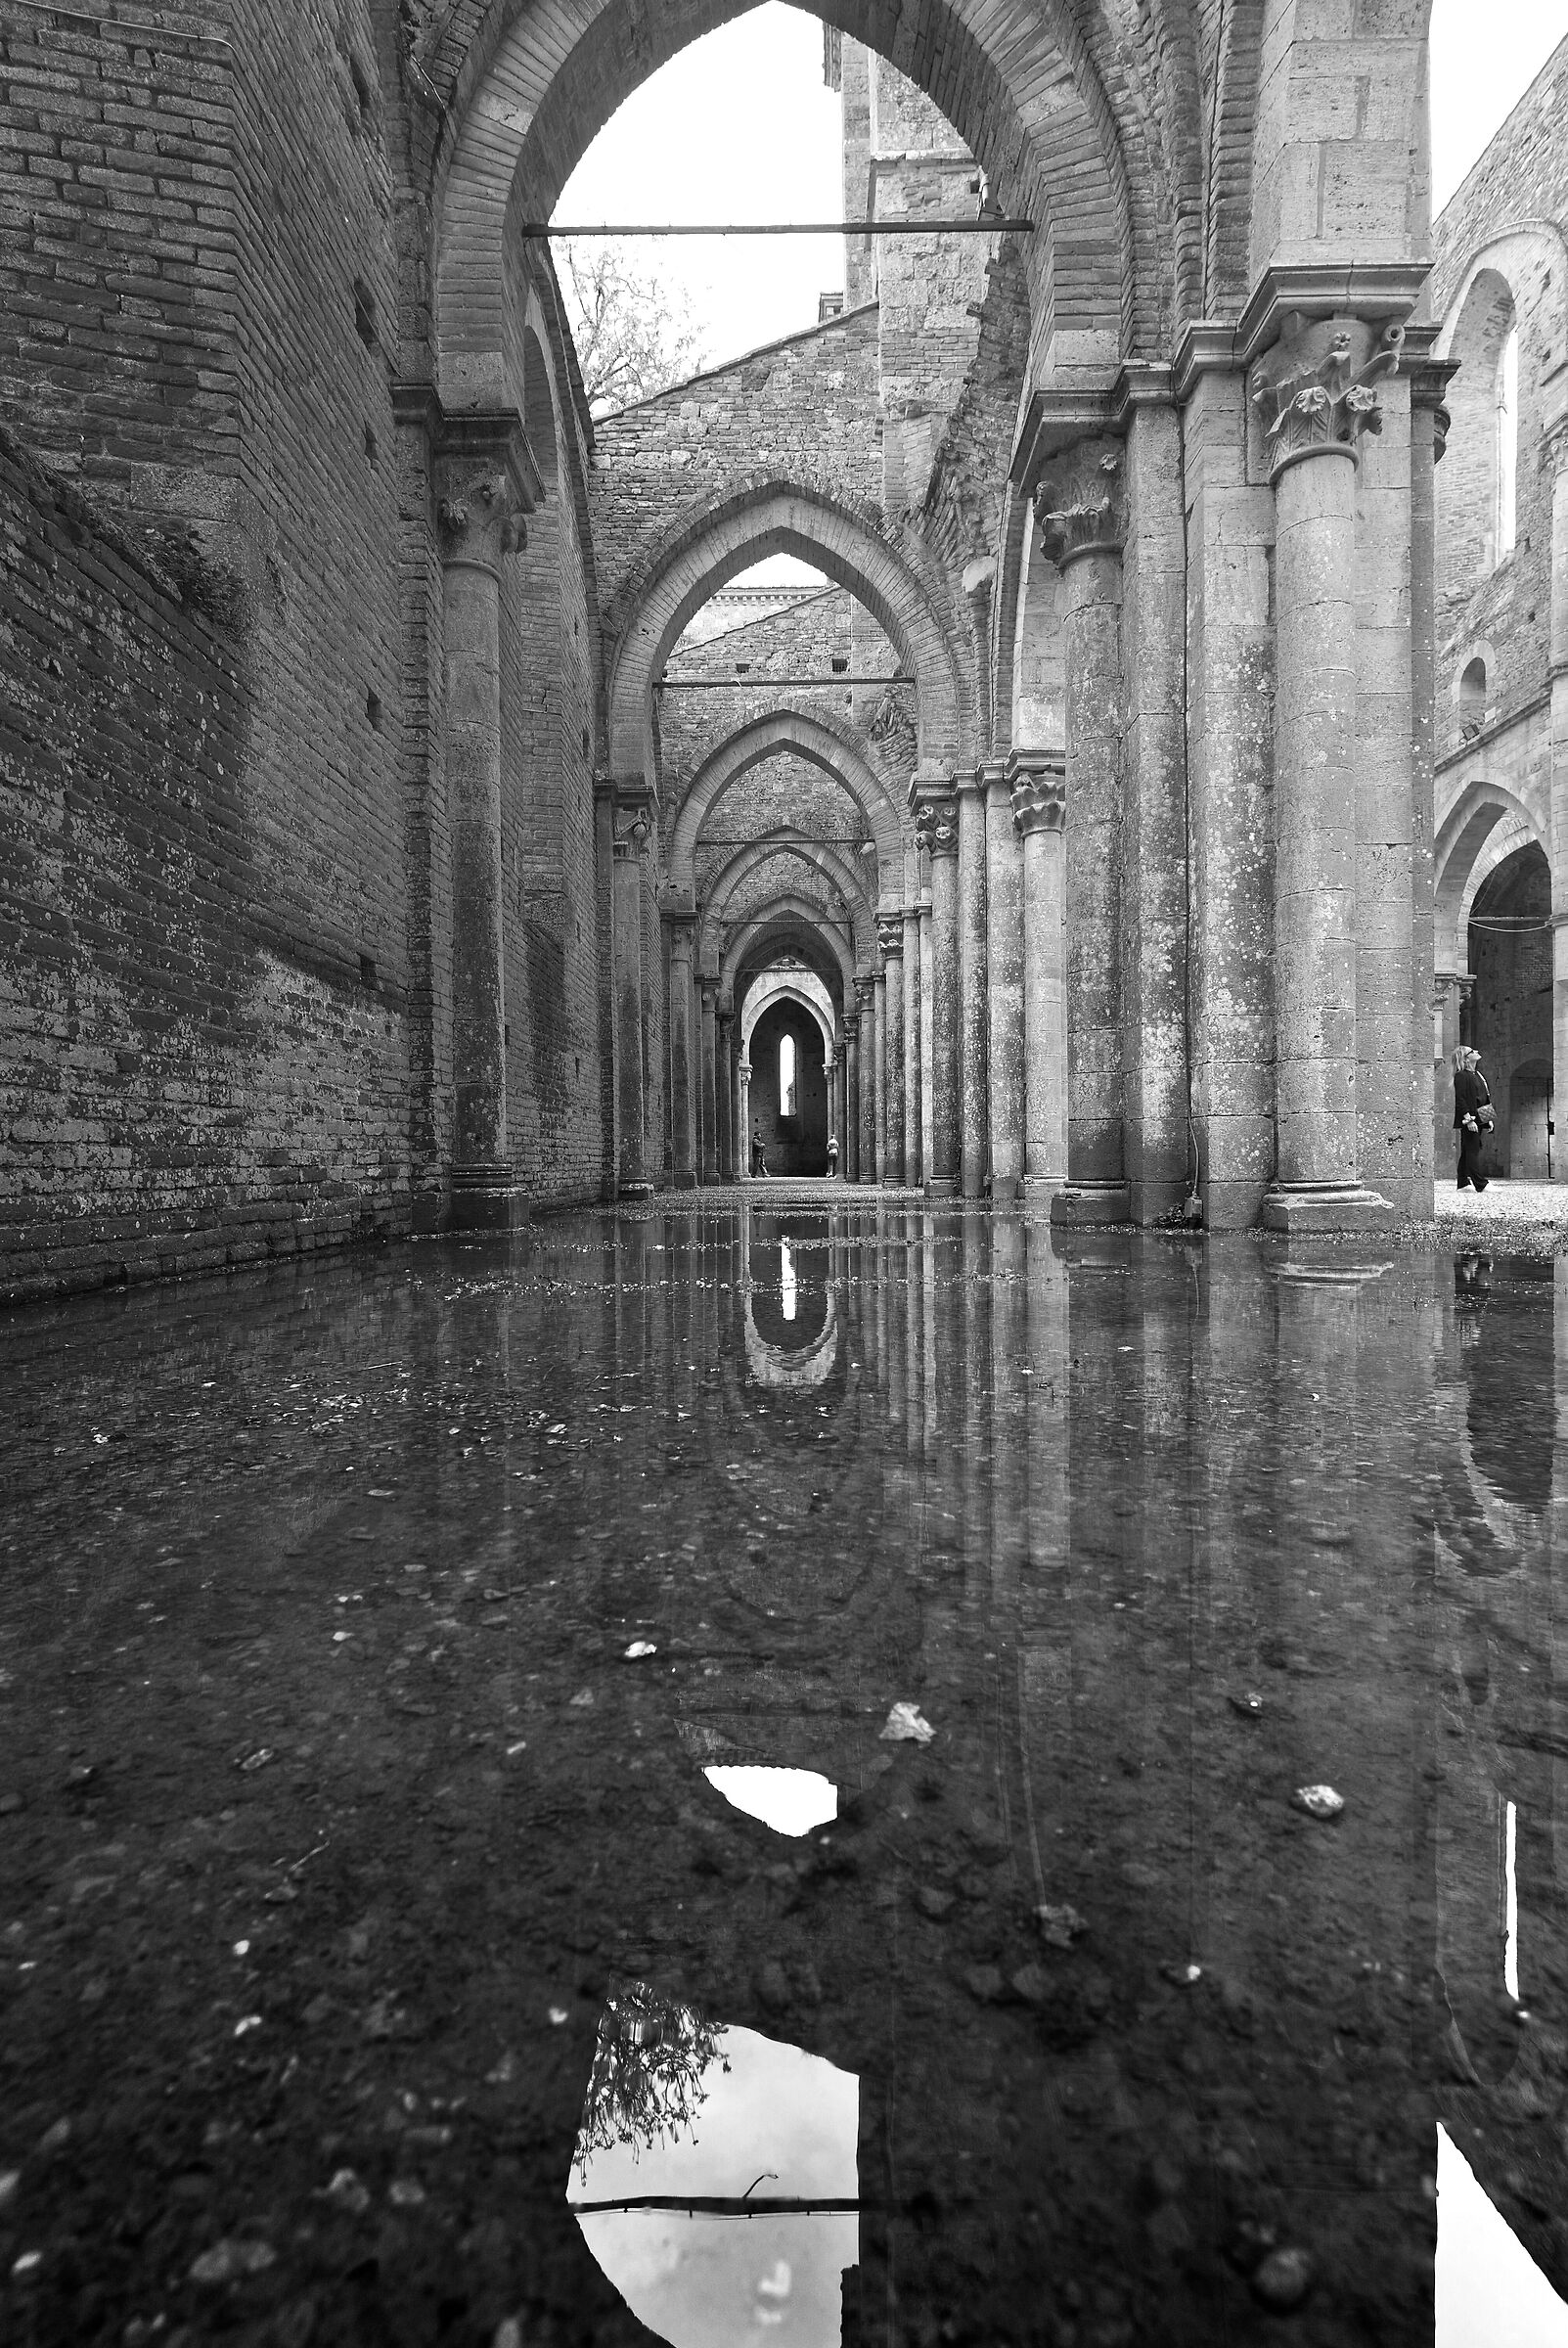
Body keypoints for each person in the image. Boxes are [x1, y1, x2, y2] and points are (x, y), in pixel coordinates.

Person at [1454, 1043, 1490, 1192]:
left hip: (1480, 1117)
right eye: (1472, 1051)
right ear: (1466, 1059)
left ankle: (1462, 1183)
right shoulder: (1461, 1076)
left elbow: (1483, 1097)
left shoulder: (1478, 1075)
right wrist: (1468, 1120)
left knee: (1468, 1150)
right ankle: (1481, 1184)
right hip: (1470, 1119)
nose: (1477, 1051)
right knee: (1473, 1150)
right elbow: (1460, 1099)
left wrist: (1488, 1119)